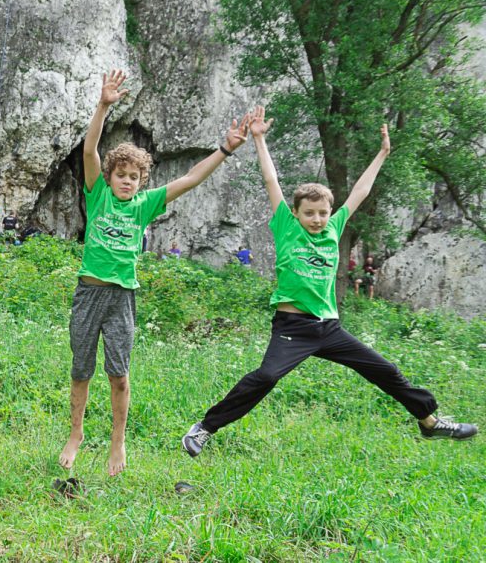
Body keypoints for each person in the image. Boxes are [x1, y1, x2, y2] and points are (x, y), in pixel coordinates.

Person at [181, 109, 477, 458]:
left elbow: (360, 191)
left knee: (386, 371)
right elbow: (271, 181)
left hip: (329, 328)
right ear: (296, 213)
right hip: (293, 327)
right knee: (266, 377)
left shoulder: (334, 228)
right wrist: (259, 139)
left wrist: (382, 154)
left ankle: (430, 423)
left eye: (323, 213)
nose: (318, 219)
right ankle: (204, 428)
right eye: (310, 213)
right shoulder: (286, 228)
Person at [59, 69, 252, 477]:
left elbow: (191, 178)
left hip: (122, 298)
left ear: (141, 181)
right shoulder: (98, 197)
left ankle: (118, 441)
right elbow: (90, 151)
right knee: (81, 370)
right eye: (121, 176)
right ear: (109, 178)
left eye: (134, 177)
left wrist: (226, 149)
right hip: (89, 293)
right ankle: (75, 434)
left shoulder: (145, 205)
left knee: (119, 375)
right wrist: (103, 106)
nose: (127, 182)